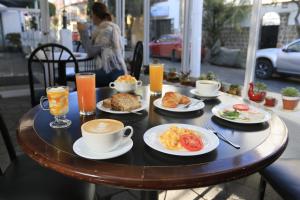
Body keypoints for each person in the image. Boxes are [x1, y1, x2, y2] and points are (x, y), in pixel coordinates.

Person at [77, 2, 127, 87]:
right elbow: (92, 50)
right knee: (82, 76)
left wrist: (83, 32)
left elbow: (91, 52)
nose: (91, 18)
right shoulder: (104, 28)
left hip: (112, 72)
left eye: (92, 15)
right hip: (115, 70)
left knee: (81, 77)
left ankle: (89, 99)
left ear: (96, 16)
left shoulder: (106, 31)